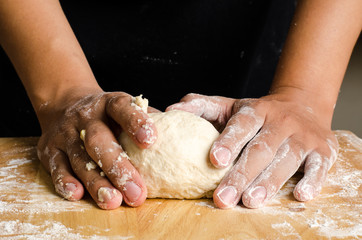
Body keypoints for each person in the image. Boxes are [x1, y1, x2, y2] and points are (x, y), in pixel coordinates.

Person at [0, 0, 360, 210]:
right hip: (43, 54)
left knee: (246, 149)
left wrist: (302, 93)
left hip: (251, 49)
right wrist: (61, 90)